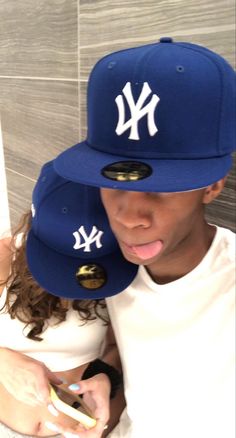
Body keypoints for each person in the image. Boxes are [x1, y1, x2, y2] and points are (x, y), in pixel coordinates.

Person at [52, 37, 236, 438]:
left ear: (213, 184)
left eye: (162, 186)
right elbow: (132, 349)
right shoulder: (112, 264)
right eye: (112, 182)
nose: (130, 217)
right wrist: (104, 380)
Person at [0, 160, 137, 438]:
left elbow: (117, 348)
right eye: (62, 264)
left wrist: (105, 378)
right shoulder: (4, 258)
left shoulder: (121, 271)